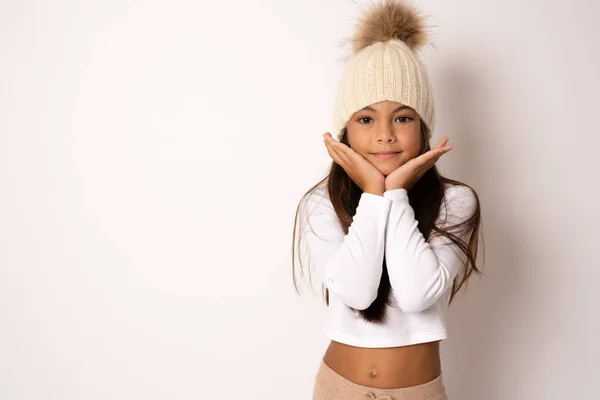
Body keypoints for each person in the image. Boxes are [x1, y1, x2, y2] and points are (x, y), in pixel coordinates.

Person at [291, 1, 484, 399]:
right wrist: (374, 196)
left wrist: (393, 192)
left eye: (402, 117)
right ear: (345, 131)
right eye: (365, 119)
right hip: (336, 387)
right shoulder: (321, 204)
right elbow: (358, 293)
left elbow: (416, 294)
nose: (385, 134)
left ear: (424, 126)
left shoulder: (455, 202)